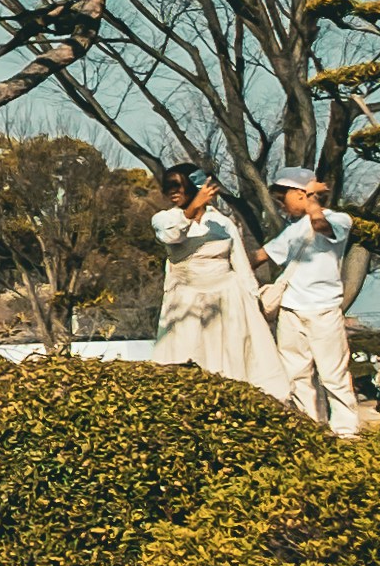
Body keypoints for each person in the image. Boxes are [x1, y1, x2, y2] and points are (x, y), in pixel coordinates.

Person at [259, 170, 360, 429]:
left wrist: (313, 198)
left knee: (334, 376)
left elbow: (321, 226)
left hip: (324, 309)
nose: (282, 207)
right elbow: (262, 255)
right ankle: (311, 427)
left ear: (300, 194)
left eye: (285, 200)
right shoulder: (293, 230)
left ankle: (347, 434)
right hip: (291, 308)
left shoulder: (340, 219)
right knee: (296, 375)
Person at [149, 177, 271, 390]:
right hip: (185, 298)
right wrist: (193, 207)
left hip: (226, 295)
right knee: (185, 354)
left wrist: (253, 297)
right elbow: (171, 235)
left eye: (179, 186)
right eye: (169, 187)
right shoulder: (165, 218)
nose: (174, 191)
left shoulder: (223, 222)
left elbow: (240, 264)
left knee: (229, 356)